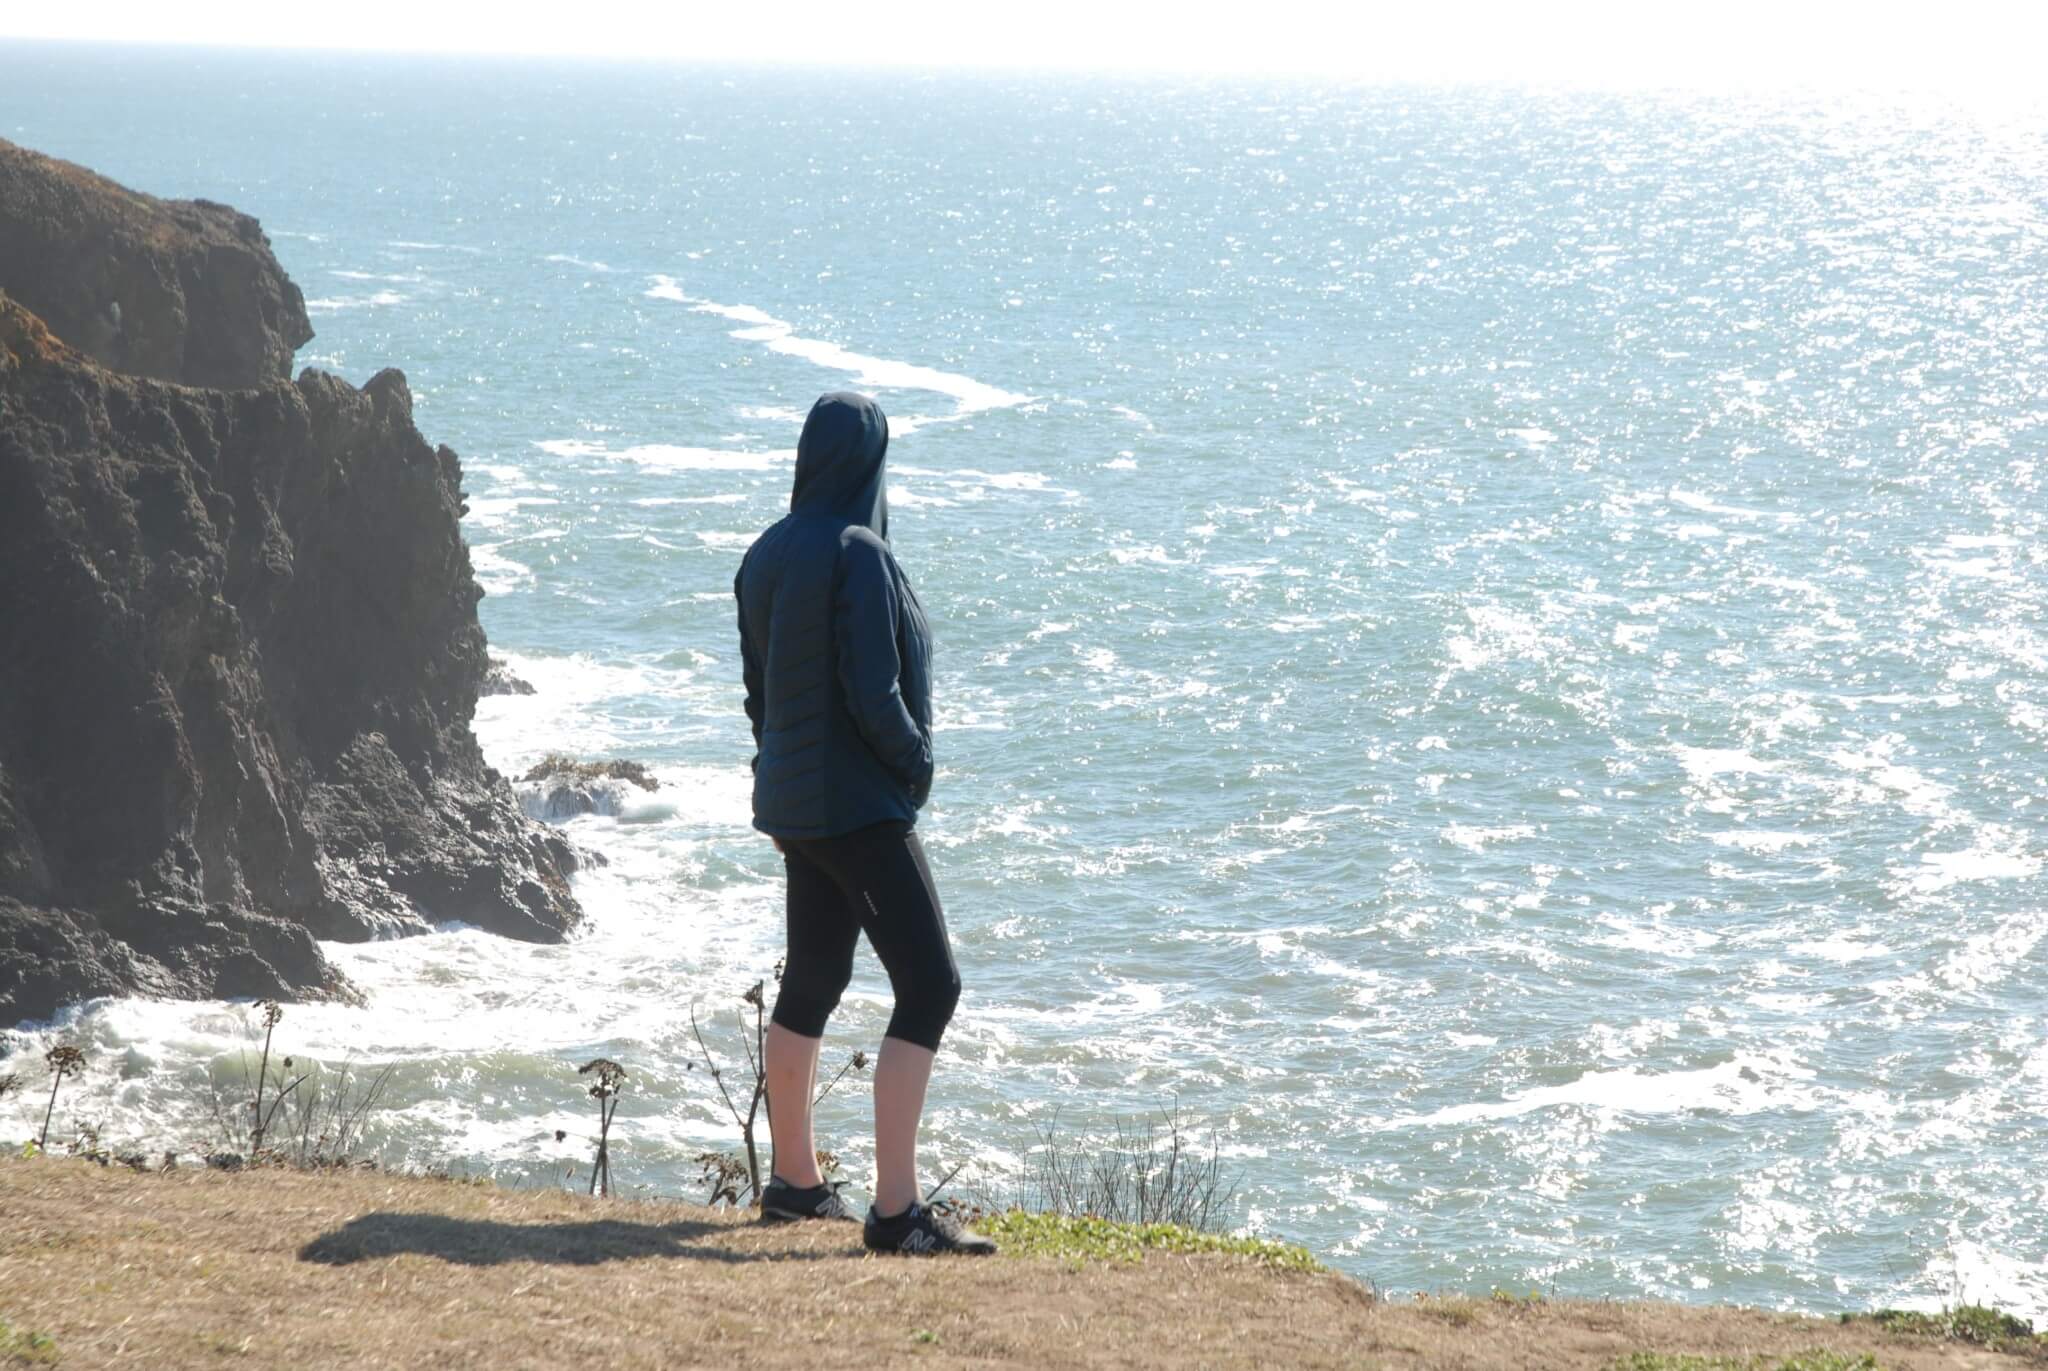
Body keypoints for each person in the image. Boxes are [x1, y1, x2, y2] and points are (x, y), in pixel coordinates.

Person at [733, 390, 994, 1257]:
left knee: (813, 979)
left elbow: (759, 696)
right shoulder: (863, 553)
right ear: (870, 463)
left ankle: (794, 1184)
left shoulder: (763, 554)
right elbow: (876, 691)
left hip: (795, 810)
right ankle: (894, 1212)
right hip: (858, 810)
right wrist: (916, 762)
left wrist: (788, 776)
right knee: (931, 984)